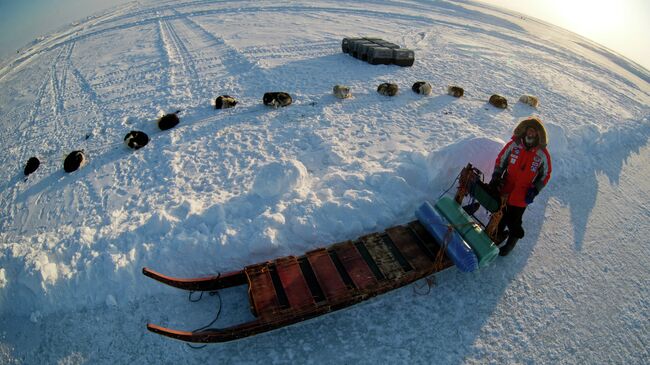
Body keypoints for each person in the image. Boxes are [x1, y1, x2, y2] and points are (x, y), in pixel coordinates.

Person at [489, 117, 552, 256]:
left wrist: (535, 190)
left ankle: (512, 240)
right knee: (500, 213)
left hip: (523, 193)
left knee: (514, 219)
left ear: (538, 135)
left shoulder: (542, 154)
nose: (530, 134)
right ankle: (496, 233)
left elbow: (546, 174)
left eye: (534, 132)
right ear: (525, 131)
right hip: (506, 187)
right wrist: (496, 176)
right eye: (529, 130)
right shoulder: (514, 145)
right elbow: (501, 160)